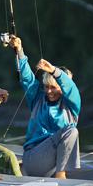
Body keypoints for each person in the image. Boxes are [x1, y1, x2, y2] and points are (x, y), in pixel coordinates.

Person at [9, 36, 81, 178]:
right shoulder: (37, 98)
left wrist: (54, 71)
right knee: (71, 131)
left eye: (53, 88)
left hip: (57, 163)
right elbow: (27, 78)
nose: (49, 91)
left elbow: (71, 88)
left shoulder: (72, 104)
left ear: (63, 87)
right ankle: (61, 178)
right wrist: (20, 51)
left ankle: (62, 174)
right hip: (35, 160)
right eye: (46, 87)